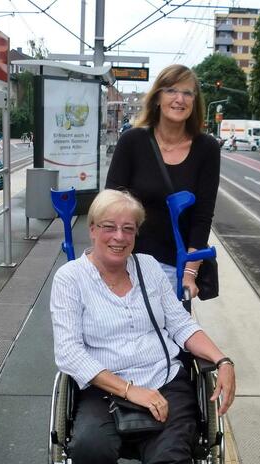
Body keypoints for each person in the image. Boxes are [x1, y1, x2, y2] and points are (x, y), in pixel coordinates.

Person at [50, 189, 236, 464]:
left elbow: (181, 324)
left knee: (174, 454)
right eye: (108, 227)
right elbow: (70, 353)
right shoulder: (71, 278)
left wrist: (222, 361)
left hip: (163, 377)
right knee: (88, 447)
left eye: (128, 228)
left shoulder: (149, 268)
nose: (118, 236)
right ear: (91, 229)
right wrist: (130, 389)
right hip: (105, 384)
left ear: (136, 234)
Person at [106, 64, 220, 298]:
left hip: (174, 268)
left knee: (167, 335)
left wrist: (189, 274)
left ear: (194, 101)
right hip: (128, 262)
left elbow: (202, 216)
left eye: (187, 93)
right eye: (171, 90)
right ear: (157, 97)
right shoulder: (132, 142)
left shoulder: (206, 148)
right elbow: (109, 206)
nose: (180, 99)